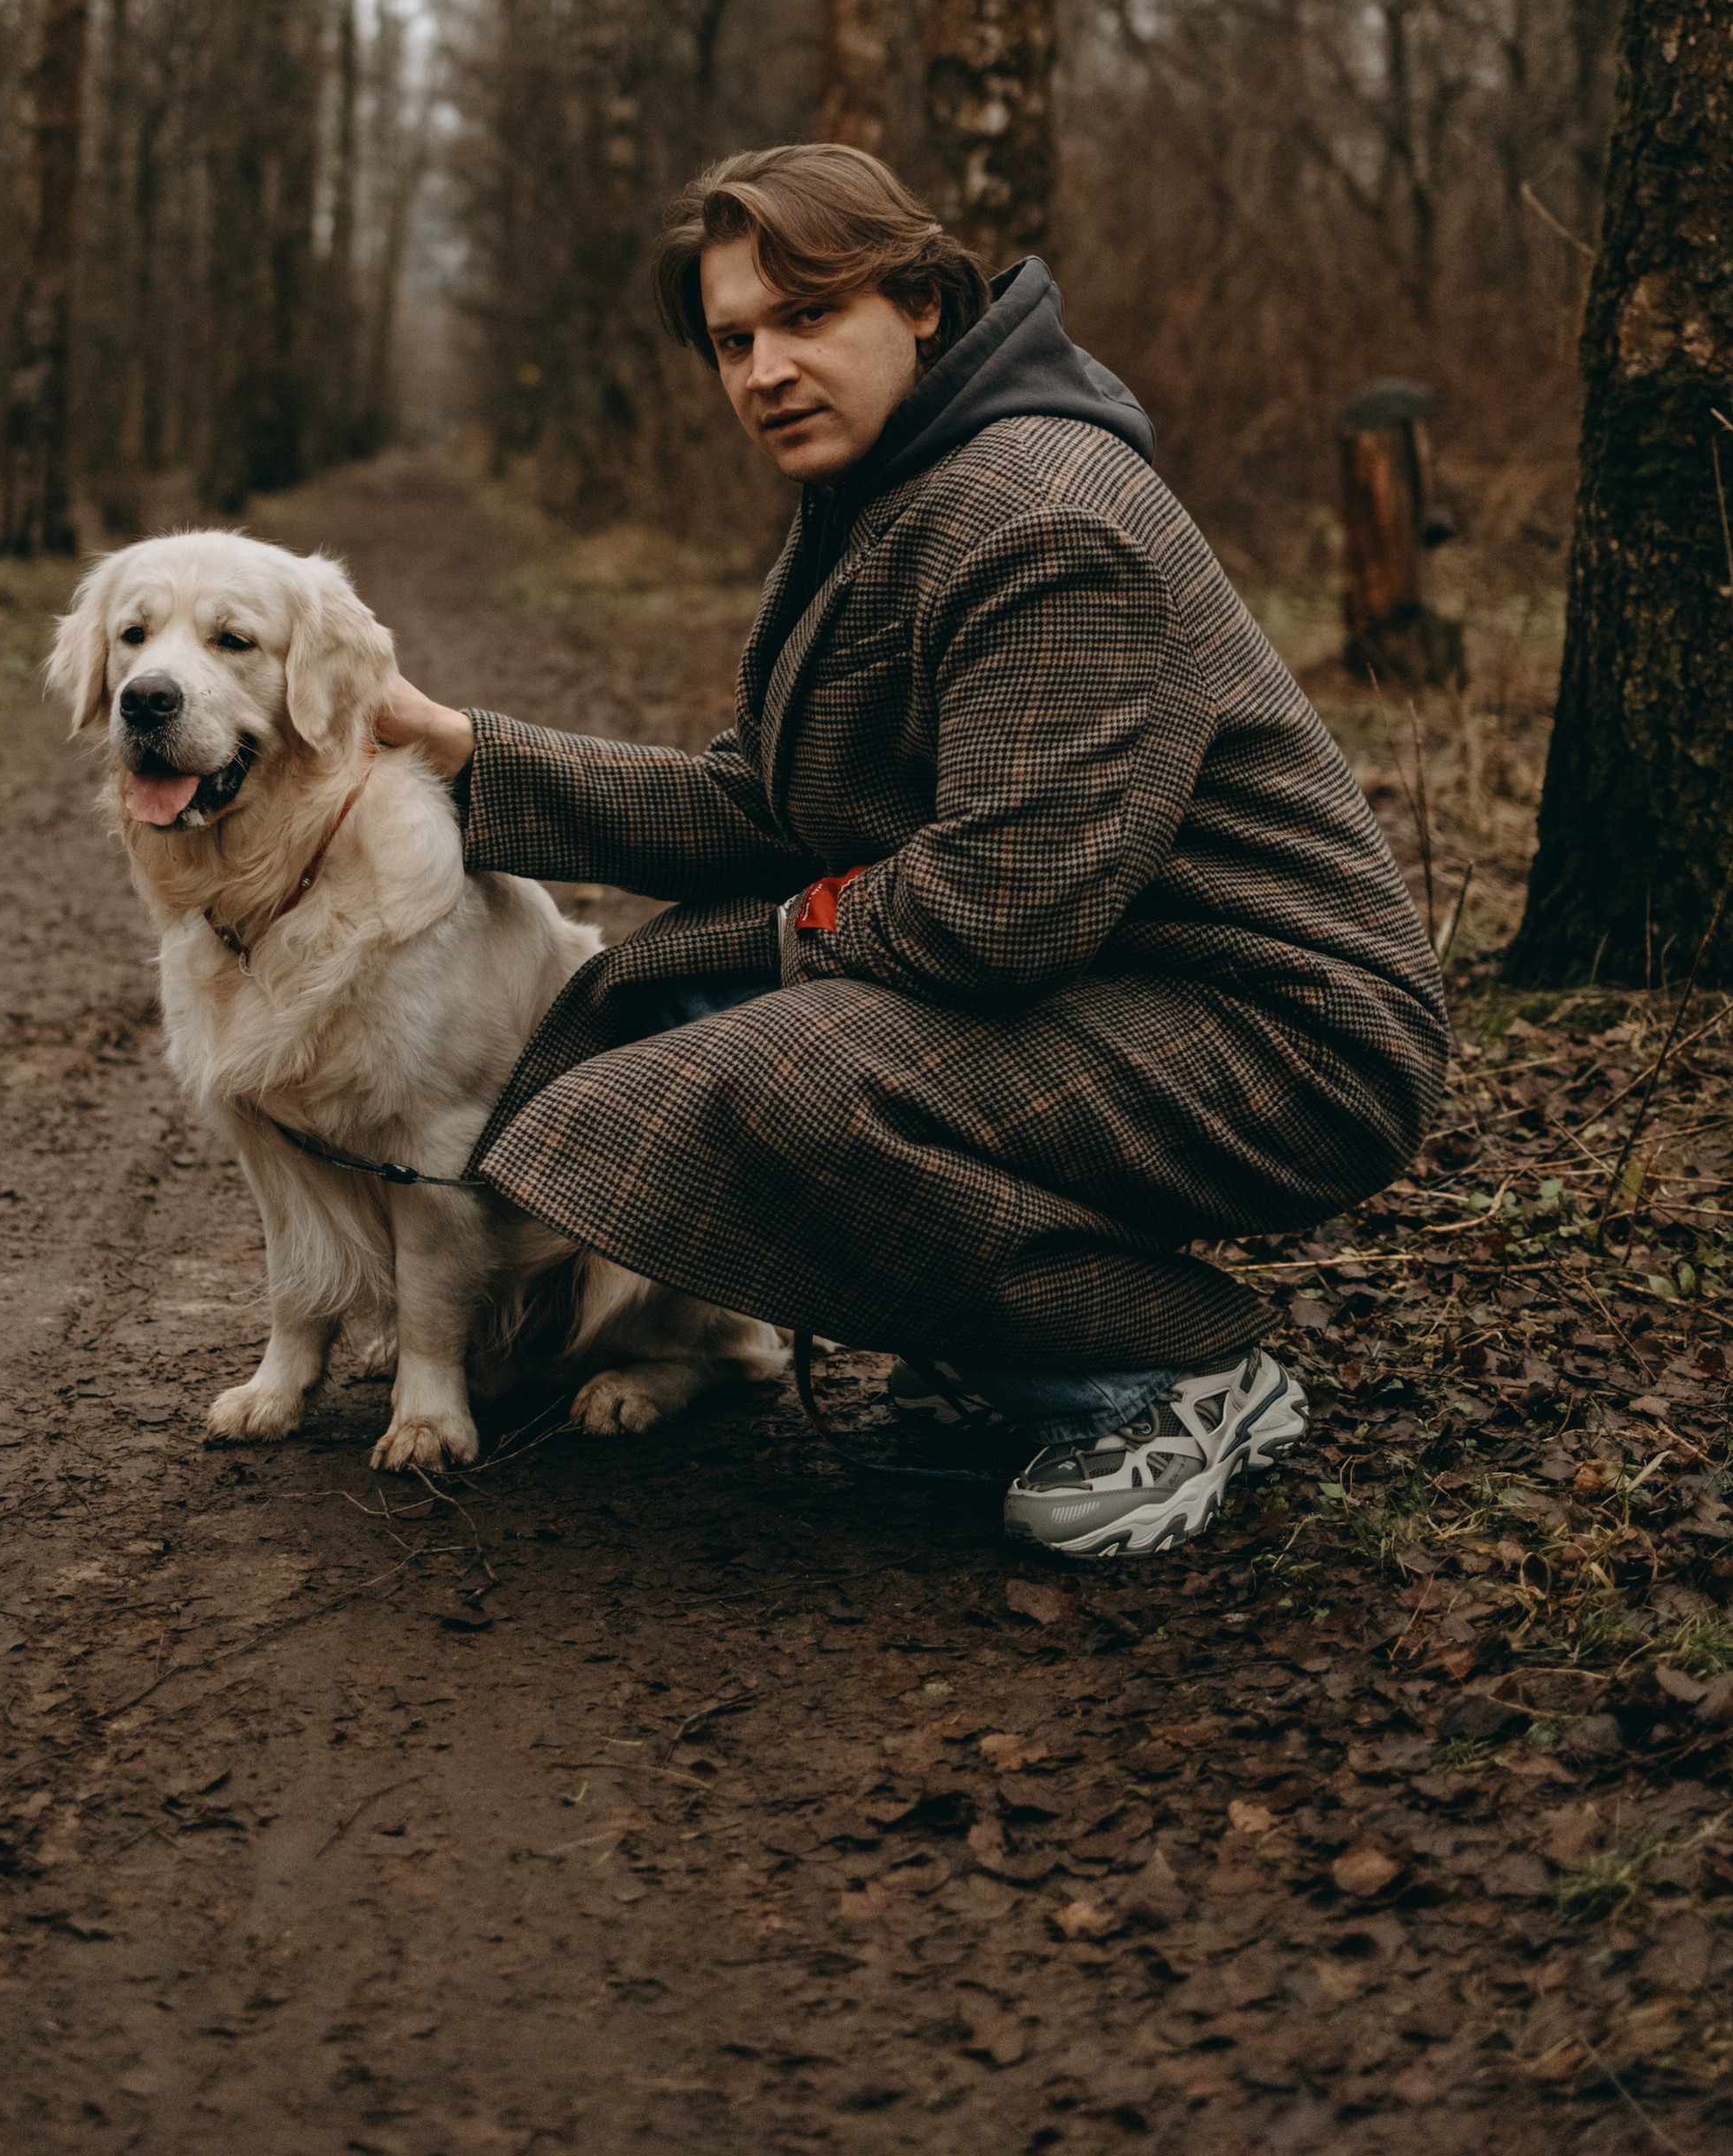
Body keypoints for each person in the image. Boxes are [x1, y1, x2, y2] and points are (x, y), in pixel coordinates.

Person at [378, 145, 1448, 1560]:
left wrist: (784, 941)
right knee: (679, 1002)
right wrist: (463, 751)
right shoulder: (883, 489)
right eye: (735, 341)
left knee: (765, 1075)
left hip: (1281, 1034)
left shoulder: (1043, 514)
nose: (766, 371)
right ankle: (1004, 1329)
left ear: (924, 303)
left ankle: (1165, 1377)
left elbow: (1001, 913)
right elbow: (766, 806)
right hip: (1118, 986)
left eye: (808, 317)